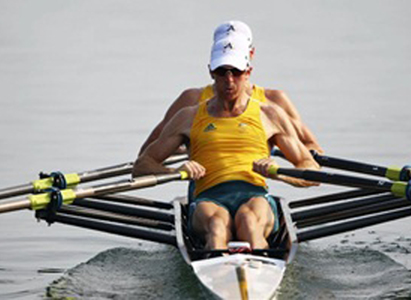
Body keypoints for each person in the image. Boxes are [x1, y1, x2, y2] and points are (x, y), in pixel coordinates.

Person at [133, 35, 320, 250]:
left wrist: (279, 173)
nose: (229, 80)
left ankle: (256, 272)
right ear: (211, 71)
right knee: (217, 226)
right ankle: (220, 272)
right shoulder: (189, 116)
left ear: (248, 72)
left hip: (254, 194)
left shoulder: (269, 114)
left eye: (237, 72)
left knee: (249, 222)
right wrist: (175, 170)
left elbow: (311, 168)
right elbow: (141, 165)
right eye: (222, 72)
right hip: (209, 198)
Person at [138, 20, 323, 156]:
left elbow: (311, 147)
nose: (229, 77)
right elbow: (148, 151)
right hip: (205, 187)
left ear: (251, 54)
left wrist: (280, 150)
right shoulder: (191, 100)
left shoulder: (274, 102)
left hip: (253, 186)